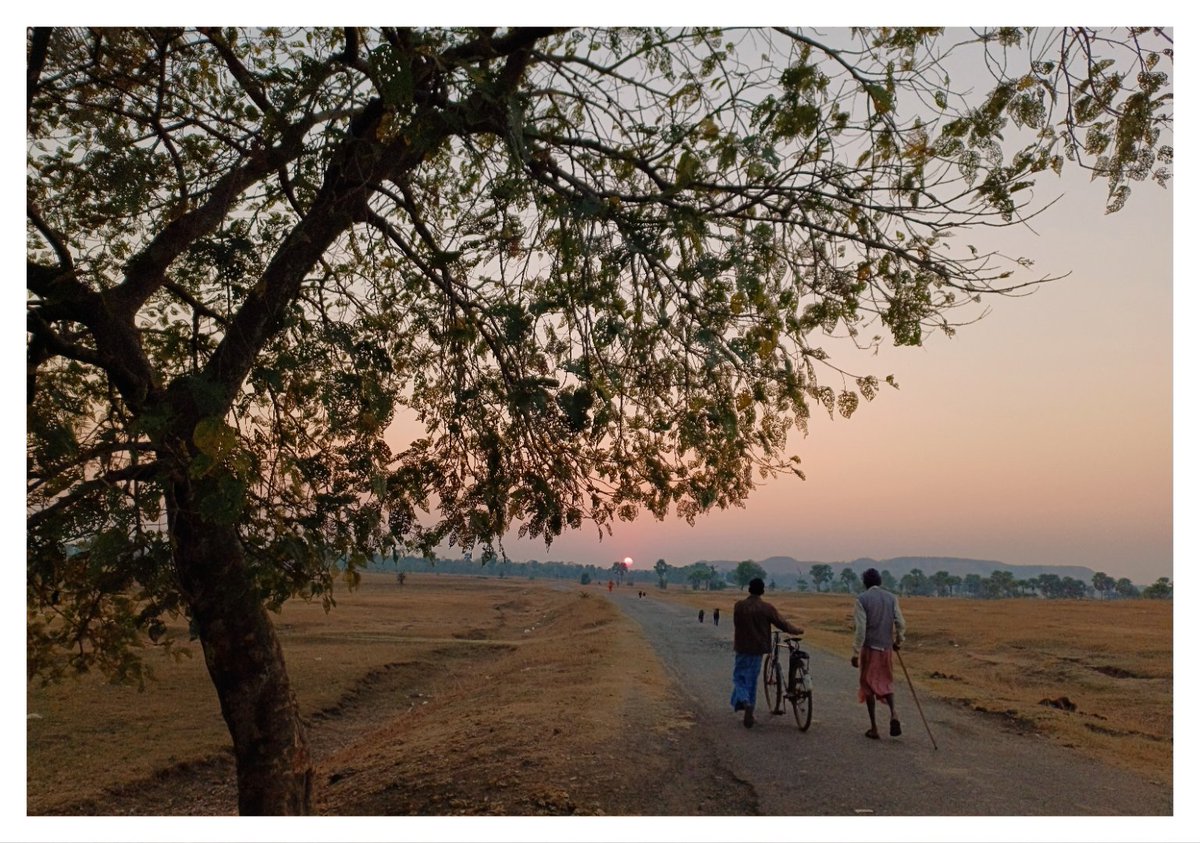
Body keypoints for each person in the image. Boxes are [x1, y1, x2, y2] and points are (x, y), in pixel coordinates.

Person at [731, 577, 802, 728]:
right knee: (752, 680)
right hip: (758, 649)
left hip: (742, 647)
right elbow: (782, 623)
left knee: (739, 678)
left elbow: (737, 624)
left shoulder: (739, 606)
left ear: (749, 589)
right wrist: (796, 630)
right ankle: (749, 706)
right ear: (762, 591)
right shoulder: (766, 608)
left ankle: (745, 702)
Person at [851, 568, 907, 740]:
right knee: (886, 682)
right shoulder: (892, 598)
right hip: (886, 648)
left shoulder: (862, 599)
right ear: (880, 581)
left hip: (870, 648)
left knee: (868, 686)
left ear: (865, 582)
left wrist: (855, 651)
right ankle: (894, 713)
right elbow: (900, 622)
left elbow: (861, 628)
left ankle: (874, 727)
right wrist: (898, 641)